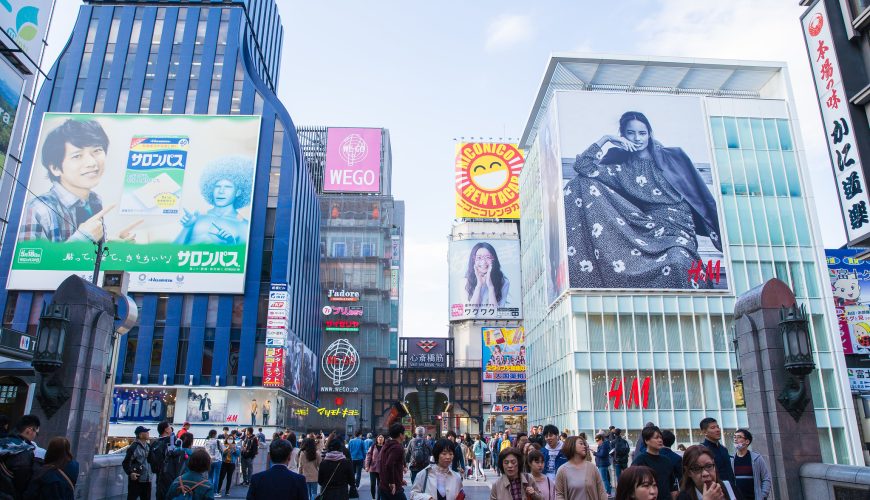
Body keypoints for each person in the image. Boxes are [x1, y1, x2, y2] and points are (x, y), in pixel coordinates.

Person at [563, 111, 722, 290]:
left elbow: (700, 193)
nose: (637, 138)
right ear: (622, 136)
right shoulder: (621, 169)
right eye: (631, 133)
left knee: (678, 261)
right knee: (579, 183)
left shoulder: (672, 157)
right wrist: (605, 139)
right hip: (646, 227)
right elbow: (582, 167)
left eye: (642, 133)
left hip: (679, 226)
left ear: (649, 134)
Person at [19, 118, 120, 243]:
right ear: (55, 168)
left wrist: (113, 244)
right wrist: (83, 239)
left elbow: (89, 255)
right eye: (77, 156)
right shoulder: (39, 209)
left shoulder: (94, 201)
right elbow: (30, 259)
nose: (92, 163)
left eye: (97, 150)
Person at [175, 156, 254, 245]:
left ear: (238, 192)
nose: (221, 191)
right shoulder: (197, 218)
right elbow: (173, 251)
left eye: (228, 187)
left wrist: (231, 243)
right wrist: (187, 227)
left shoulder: (244, 226)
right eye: (217, 186)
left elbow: (246, 256)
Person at [631, 426, 678, 499]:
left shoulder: (666, 461)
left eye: (661, 437)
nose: (660, 440)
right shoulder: (640, 461)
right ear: (646, 440)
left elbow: (673, 486)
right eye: (656, 438)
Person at [0, 414, 40, 499]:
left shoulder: (2, 442)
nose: (35, 436)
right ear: (29, 430)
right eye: (37, 433)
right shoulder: (23, 451)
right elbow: (22, 484)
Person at [554, 436, 607, 500]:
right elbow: (559, 494)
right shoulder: (562, 470)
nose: (584, 446)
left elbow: (602, 491)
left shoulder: (592, 467)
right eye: (581, 444)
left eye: (584, 444)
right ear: (571, 446)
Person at [464, 242, 510, 307]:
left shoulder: (503, 282)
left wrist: (491, 287)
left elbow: (496, 315)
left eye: (488, 257)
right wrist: (479, 285)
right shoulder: (465, 282)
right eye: (479, 258)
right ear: (473, 260)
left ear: (494, 259)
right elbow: (470, 313)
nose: (483, 262)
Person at [730, 429, 771, 500]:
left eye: (739, 437)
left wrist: (763, 495)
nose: (735, 439)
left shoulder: (757, 458)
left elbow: (766, 478)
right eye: (734, 437)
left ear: (747, 441)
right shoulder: (731, 459)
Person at [698, 418, 736, 486]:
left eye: (718, 427)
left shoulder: (724, 449)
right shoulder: (701, 450)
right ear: (704, 432)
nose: (717, 430)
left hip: (730, 488)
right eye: (713, 428)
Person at [122, 425, 153, 500]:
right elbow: (125, 463)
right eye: (146, 432)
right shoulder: (134, 447)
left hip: (147, 480)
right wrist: (130, 473)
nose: (148, 433)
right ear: (140, 435)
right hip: (136, 480)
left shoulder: (148, 446)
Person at [380, 423, 408, 500]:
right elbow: (389, 464)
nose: (404, 435)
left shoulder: (386, 445)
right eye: (404, 433)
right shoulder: (397, 447)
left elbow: (387, 464)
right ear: (400, 435)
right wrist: (392, 482)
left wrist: (399, 479)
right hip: (393, 488)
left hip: (384, 485)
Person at [151, 421, 175, 500]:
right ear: (166, 430)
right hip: (170, 476)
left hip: (159, 475)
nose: (171, 428)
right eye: (169, 426)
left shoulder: (155, 443)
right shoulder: (171, 442)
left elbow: (149, 459)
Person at [365, 434, 385, 500]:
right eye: (379, 437)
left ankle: (378, 498)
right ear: (377, 439)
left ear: (384, 439)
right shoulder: (373, 446)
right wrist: (367, 466)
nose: (380, 438)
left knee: (380, 486)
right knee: (372, 485)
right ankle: (373, 498)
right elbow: (368, 456)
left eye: (382, 437)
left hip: (381, 469)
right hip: (373, 468)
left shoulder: (385, 447)